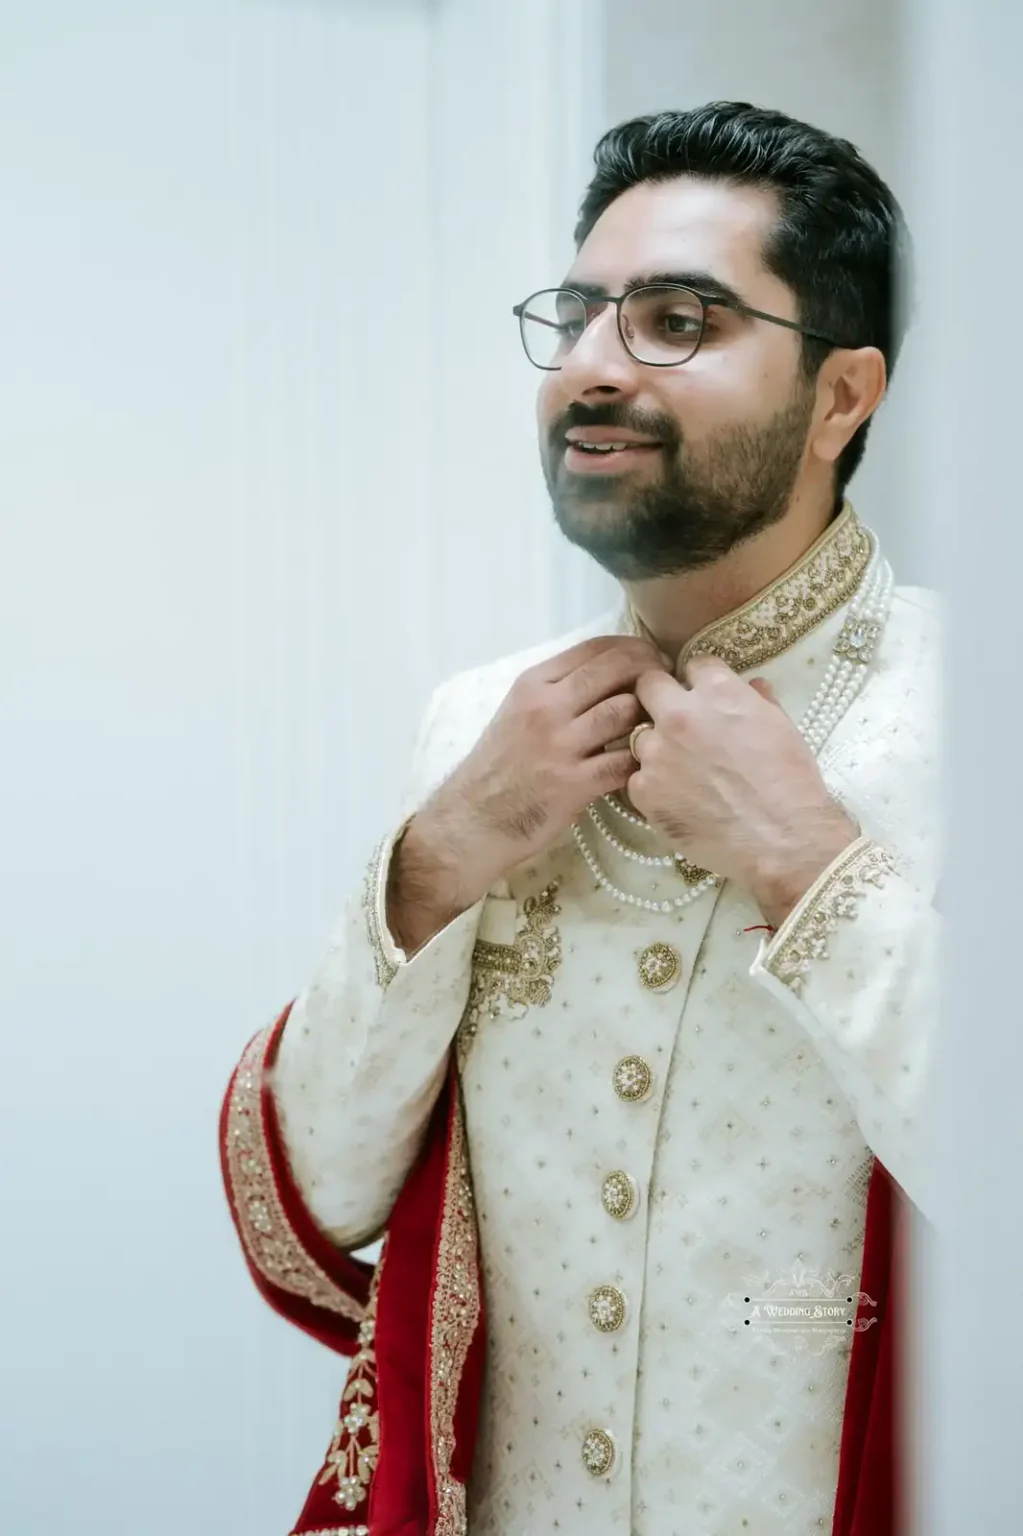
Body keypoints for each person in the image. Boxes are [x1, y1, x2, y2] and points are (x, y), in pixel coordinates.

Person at [220, 102, 936, 1536]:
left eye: (679, 319)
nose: (595, 369)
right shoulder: (482, 727)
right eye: (579, 315)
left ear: (840, 397)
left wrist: (806, 863)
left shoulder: (976, 709)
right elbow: (312, 1193)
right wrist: (439, 860)